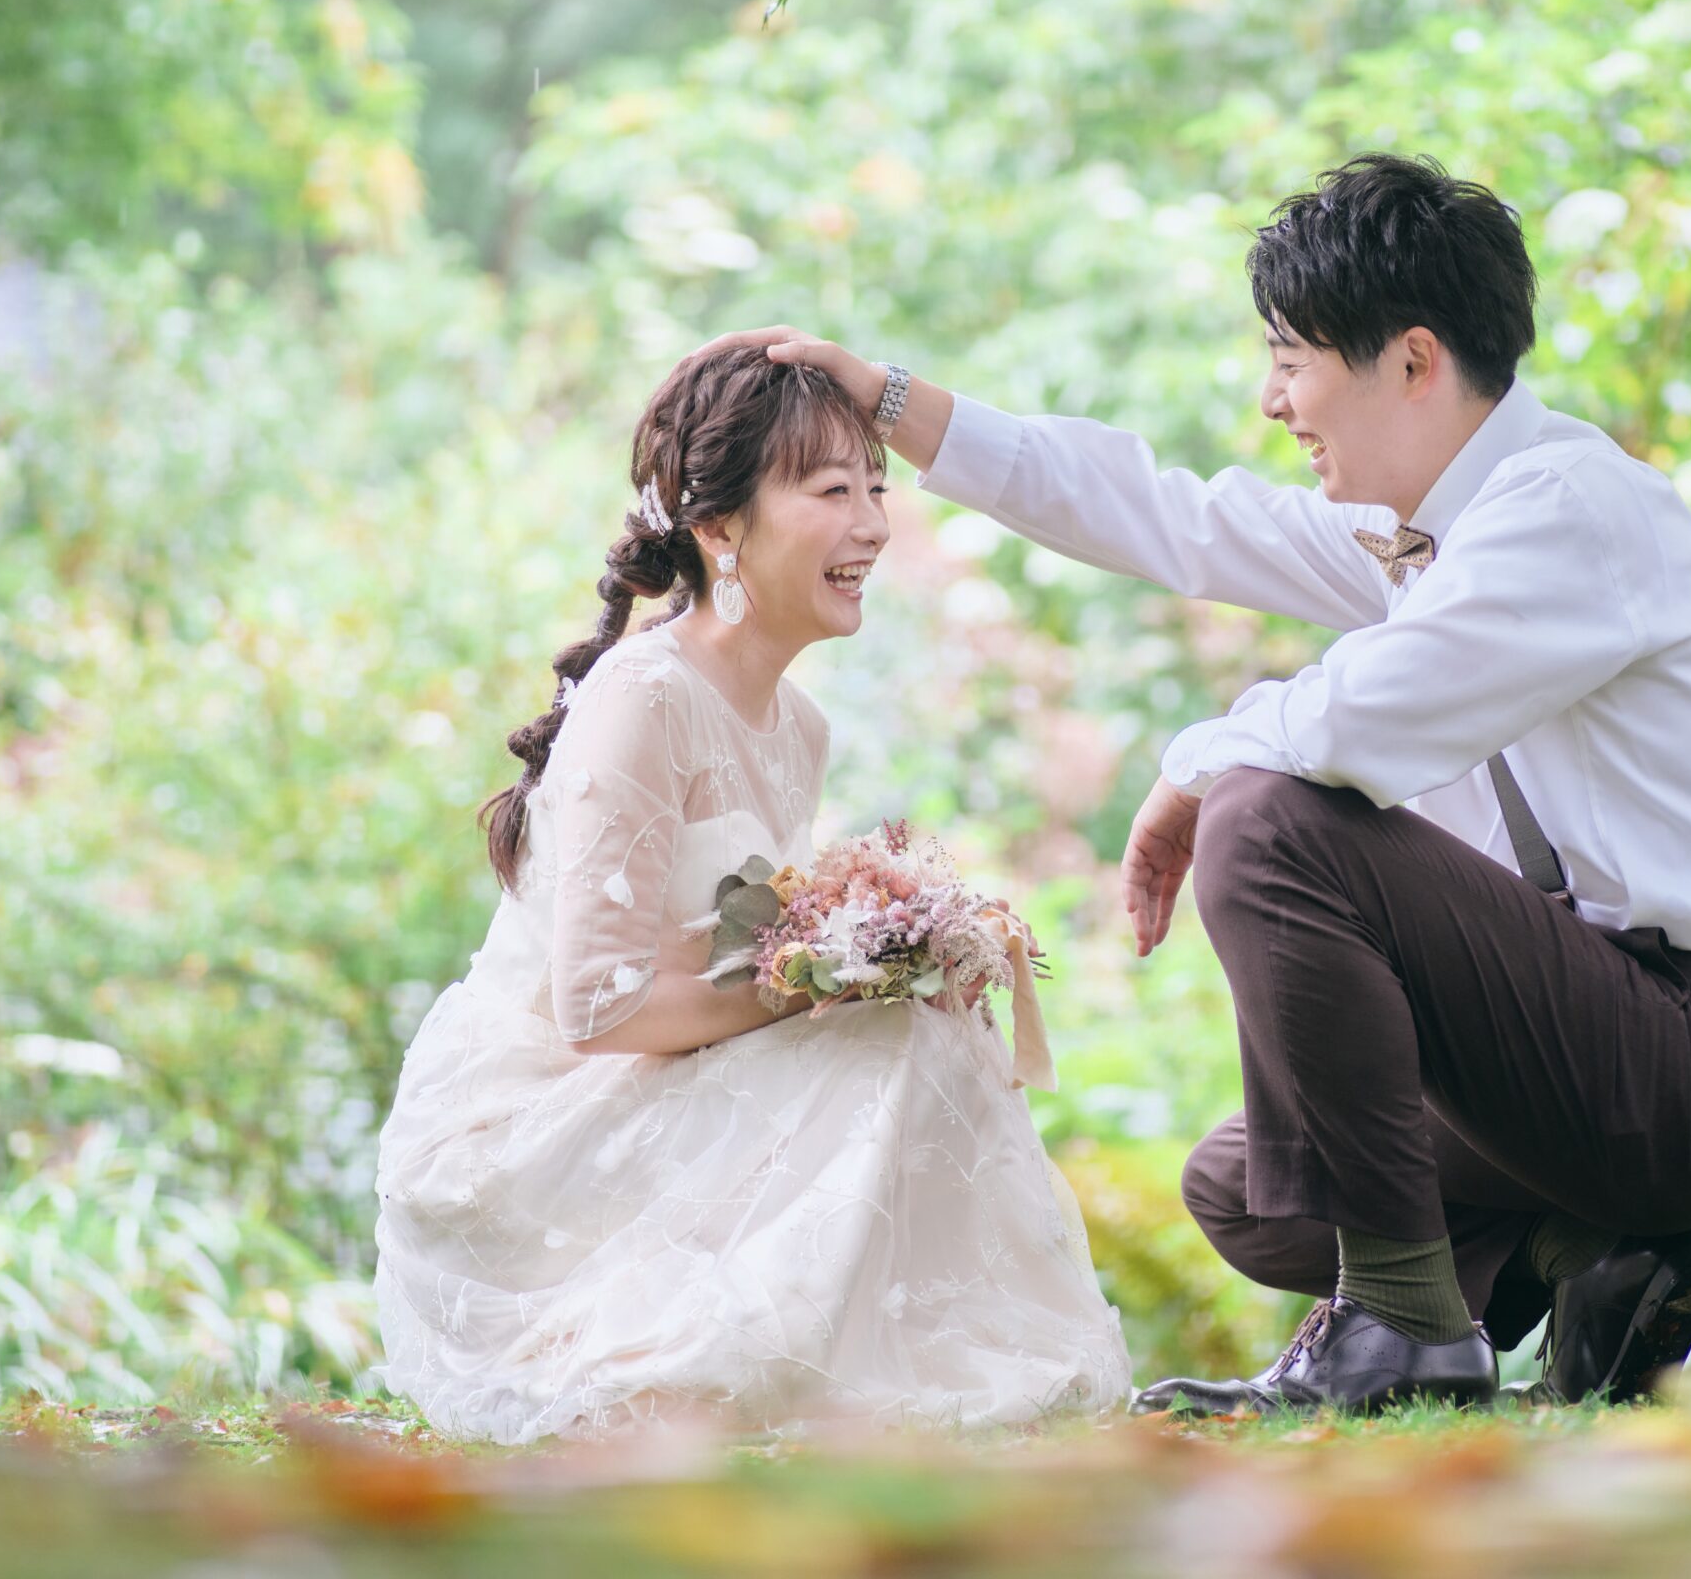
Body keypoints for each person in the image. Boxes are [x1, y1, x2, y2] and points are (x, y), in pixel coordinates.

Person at [716, 152, 1691, 1414]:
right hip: (1581, 1046)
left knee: (1265, 813)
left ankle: (1401, 1333)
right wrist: (892, 402)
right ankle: (1598, 1259)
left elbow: (1365, 720)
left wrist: (1195, 768)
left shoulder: (1573, 509)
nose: (1271, 402)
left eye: (1291, 361)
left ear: (1412, 361)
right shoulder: (1425, 536)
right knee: (1251, 1188)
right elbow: (1168, 518)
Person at [373, 347, 1129, 1443]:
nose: (873, 525)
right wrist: (825, 986)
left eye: (877, 488)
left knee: (931, 1022)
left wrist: (882, 967)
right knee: (893, 1034)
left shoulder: (798, 728)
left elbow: (745, 961)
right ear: (722, 529)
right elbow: (597, 1009)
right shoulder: (644, 699)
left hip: (665, 1081)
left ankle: (914, 1366)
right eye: (832, 491)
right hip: (537, 1128)